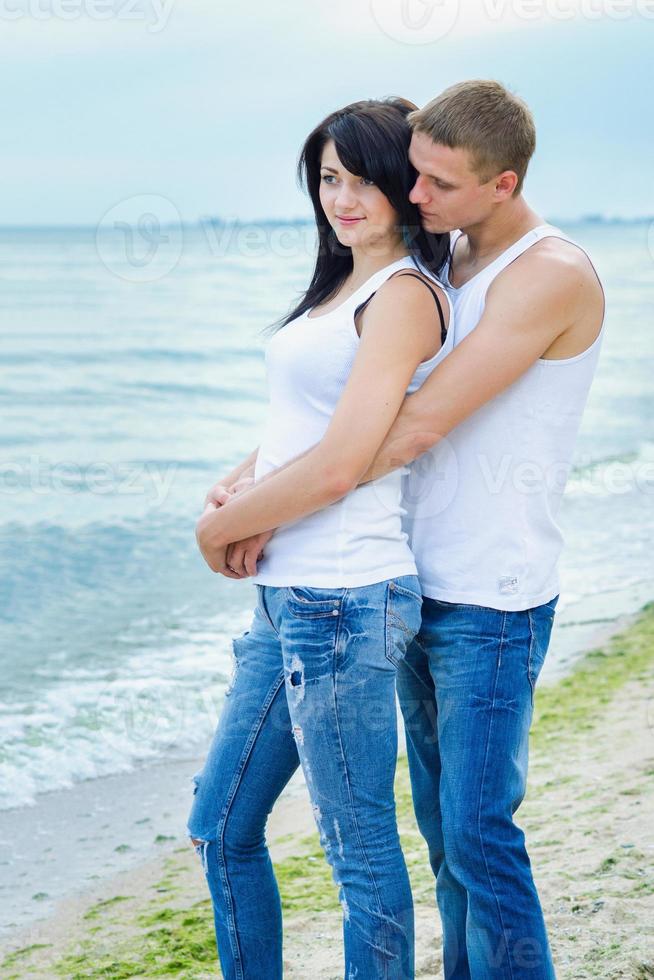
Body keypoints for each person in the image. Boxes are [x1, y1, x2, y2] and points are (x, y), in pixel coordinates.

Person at [206, 81, 605, 978]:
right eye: (411, 176)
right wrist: (257, 469)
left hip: (492, 593)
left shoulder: (550, 274)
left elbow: (411, 428)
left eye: (438, 184)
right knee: (440, 836)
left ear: (502, 185)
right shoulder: (448, 260)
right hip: (415, 579)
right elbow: (364, 396)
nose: (414, 198)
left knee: (476, 836)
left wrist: (256, 512)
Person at [188, 96, 452, 979]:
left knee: (359, 850)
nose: (342, 198)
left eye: (362, 179)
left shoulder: (406, 295)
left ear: (403, 187)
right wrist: (246, 475)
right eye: (328, 178)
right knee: (220, 826)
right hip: (287, 599)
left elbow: (344, 462)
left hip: (344, 599)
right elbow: (309, 420)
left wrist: (224, 527)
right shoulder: (344, 284)